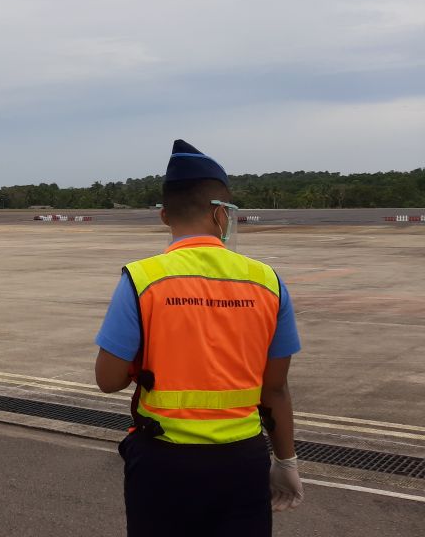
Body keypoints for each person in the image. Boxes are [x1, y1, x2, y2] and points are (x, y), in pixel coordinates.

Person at [94, 139, 304, 536]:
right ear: (221, 214)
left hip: (163, 464)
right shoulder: (267, 281)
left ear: (163, 216)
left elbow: (108, 380)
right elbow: (274, 389)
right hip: (242, 461)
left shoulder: (142, 279)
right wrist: (286, 461)